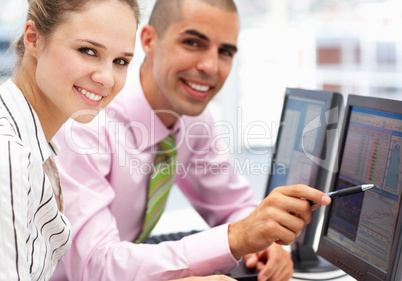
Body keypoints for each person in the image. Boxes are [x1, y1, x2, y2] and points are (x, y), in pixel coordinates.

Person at [52, 0, 331, 280]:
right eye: (193, 43)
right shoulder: (86, 123)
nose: (210, 66)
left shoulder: (193, 118)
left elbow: (235, 205)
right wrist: (236, 238)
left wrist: (266, 241)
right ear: (149, 41)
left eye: (225, 52)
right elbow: (93, 266)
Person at [0, 0, 139, 280]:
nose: (107, 78)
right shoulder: (10, 155)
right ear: (33, 39)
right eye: (88, 51)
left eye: (120, 61)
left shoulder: (40, 146)